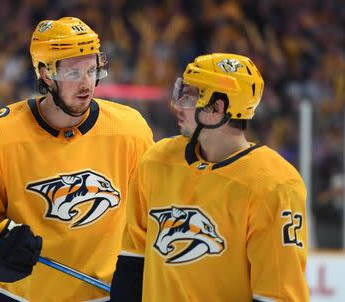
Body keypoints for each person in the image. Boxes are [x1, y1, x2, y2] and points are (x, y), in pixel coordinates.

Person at [0, 17, 153, 302]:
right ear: (45, 73)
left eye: (92, 70)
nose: (86, 84)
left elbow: (151, 218)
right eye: (73, 74)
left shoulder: (130, 130)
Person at [111, 53, 309, 301]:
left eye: (191, 96)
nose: (178, 104)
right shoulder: (157, 160)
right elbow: (133, 262)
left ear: (217, 107)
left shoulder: (273, 185)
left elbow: (277, 296)